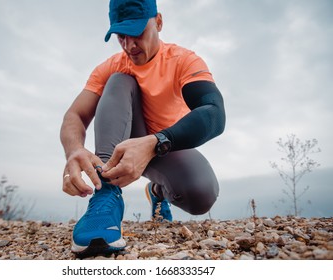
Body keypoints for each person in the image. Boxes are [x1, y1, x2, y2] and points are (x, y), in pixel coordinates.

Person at [60, 0, 226, 257]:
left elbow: (214, 113)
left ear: (158, 22)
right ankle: (106, 195)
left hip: (166, 143)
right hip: (122, 142)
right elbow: (75, 114)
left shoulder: (183, 60)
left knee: (201, 195)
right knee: (118, 80)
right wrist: (74, 150)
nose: (129, 46)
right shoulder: (112, 65)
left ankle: (158, 192)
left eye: (137, 33)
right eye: (121, 36)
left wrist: (155, 142)